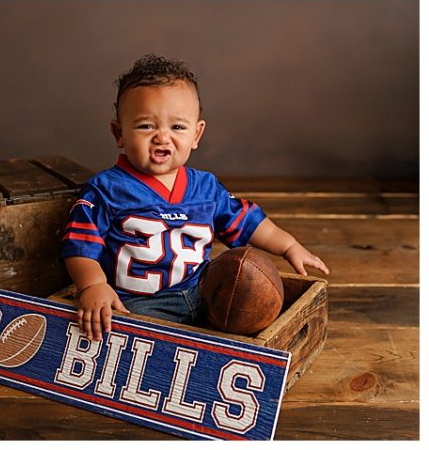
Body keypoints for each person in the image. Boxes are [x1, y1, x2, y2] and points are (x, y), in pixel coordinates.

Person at [63, 54, 329, 340]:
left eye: (177, 127)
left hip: (203, 294)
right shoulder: (106, 189)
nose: (162, 137)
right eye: (146, 126)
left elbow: (248, 222)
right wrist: (93, 286)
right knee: (126, 332)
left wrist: (289, 245)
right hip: (139, 305)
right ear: (119, 133)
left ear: (196, 134)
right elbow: (79, 247)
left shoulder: (205, 187)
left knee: (246, 294)